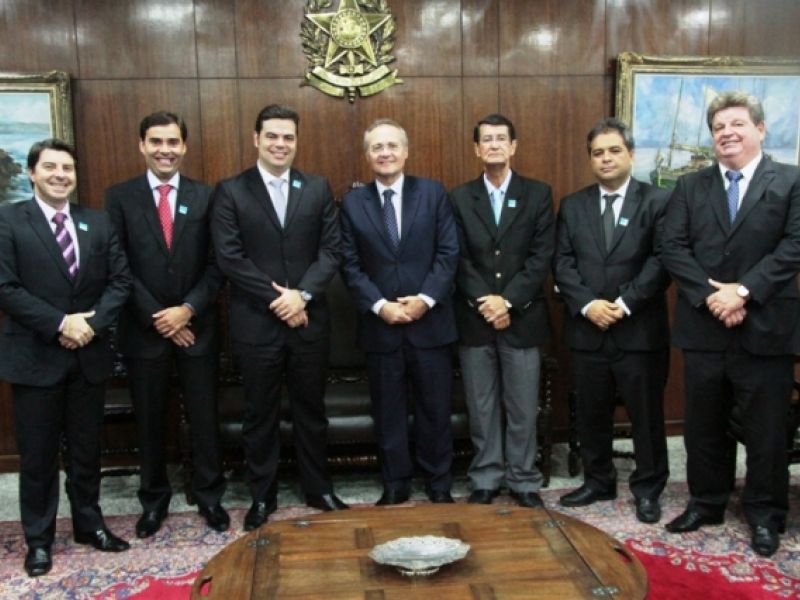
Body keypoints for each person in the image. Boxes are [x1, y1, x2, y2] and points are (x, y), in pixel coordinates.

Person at [661, 92, 800, 556]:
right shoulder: (689, 186)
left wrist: (742, 292)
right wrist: (712, 296)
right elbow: (672, 247)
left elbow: (794, 246)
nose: (727, 133)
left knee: (766, 430)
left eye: (737, 123)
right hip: (705, 326)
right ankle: (706, 503)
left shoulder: (791, 181)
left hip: (766, 326)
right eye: (719, 127)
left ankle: (765, 514)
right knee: (704, 425)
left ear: (760, 129)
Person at [211, 104, 347, 531]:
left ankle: (318, 489)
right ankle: (262, 496)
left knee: (311, 410)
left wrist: (301, 296)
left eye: (288, 137)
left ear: (296, 141)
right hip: (257, 323)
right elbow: (230, 258)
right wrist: (281, 300)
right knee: (260, 414)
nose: (280, 144)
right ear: (256, 139)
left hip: (309, 320)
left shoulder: (317, 187)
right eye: (272, 135)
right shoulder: (231, 191)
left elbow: (332, 251)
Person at [0, 139, 132, 576]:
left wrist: (89, 326)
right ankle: (39, 540)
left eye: (68, 168)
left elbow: (120, 282)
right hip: (35, 357)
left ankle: (89, 525)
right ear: (32, 173)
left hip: (87, 357)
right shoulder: (8, 220)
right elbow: (6, 288)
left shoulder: (97, 222)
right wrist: (61, 324)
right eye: (50, 167)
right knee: (38, 458)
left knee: (86, 451)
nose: (60, 175)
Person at [105, 111, 228, 538]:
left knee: (205, 418)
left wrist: (187, 310)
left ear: (184, 146)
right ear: (142, 145)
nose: (165, 150)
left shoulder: (206, 196)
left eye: (173, 142)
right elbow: (118, 264)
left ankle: (210, 497)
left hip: (198, 327)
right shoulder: (119, 197)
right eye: (156, 142)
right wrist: (161, 317)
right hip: (144, 330)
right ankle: (154, 502)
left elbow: (217, 264)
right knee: (150, 421)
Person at [555, 118, 671, 523]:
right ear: (590, 159)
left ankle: (648, 488)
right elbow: (562, 262)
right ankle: (598, 480)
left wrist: (624, 304)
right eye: (598, 153)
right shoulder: (573, 205)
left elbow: (662, 260)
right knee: (592, 413)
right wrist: (588, 305)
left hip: (638, 330)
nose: (606, 158)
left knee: (646, 416)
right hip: (588, 330)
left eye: (614, 150)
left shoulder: (658, 201)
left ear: (631, 154)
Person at [340, 118, 459, 505]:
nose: (385, 153)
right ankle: (395, 484)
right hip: (381, 327)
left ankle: (438, 483)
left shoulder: (433, 193)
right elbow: (349, 264)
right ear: (367, 155)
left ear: (405, 152)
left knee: (435, 409)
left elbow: (448, 253)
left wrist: (426, 299)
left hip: (431, 324)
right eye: (377, 147)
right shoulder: (352, 203)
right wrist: (380, 306)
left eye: (392, 145)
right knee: (388, 410)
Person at [450, 113, 554, 508]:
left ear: (513, 146)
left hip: (523, 318)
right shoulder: (459, 198)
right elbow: (458, 258)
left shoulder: (538, 194)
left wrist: (507, 301)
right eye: (486, 140)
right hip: (475, 318)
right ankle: (486, 476)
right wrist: (487, 301)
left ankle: (524, 478)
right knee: (481, 405)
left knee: (523, 405)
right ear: (476, 149)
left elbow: (540, 257)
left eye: (500, 139)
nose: (494, 145)